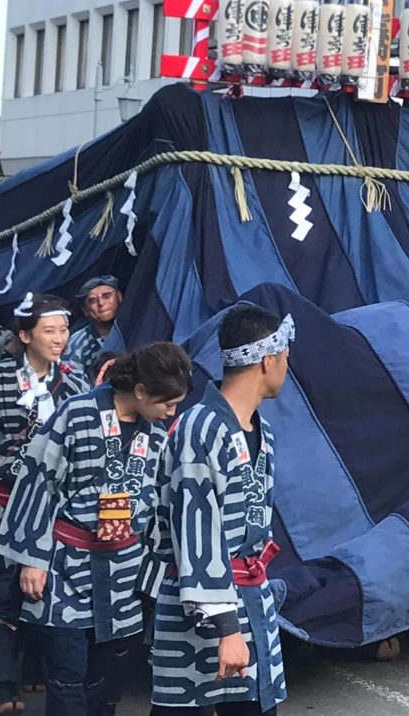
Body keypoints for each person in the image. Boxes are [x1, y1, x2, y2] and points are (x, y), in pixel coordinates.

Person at [0, 343, 193, 716]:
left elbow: (160, 505)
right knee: (67, 672)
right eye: (168, 403)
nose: (172, 411)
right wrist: (32, 560)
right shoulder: (78, 413)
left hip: (123, 570)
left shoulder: (157, 434)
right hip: (66, 564)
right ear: (140, 391)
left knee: (103, 676)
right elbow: (38, 480)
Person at [146, 303, 291, 715]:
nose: (286, 367)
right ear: (268, 361)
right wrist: (227, 629)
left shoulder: (262, 432)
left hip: (251, 599)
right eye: (285, 358)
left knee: (254, 705)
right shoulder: (201, 428)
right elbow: (197, 534)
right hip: (204, 607)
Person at [0, 293, 90, 715]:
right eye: (49, 331)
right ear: (25, 335)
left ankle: (38, 670)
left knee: (42, 590)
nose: (59, 338)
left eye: (63, 330)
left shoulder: (75, 381)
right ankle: (2, 689)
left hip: (51, 507)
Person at [65, 275, 123, 373]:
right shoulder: (76, 344)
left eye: (107, 296)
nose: (101, 303)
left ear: (119, 297)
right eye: (92, 300)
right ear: (85, 309)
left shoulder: (138, 329)